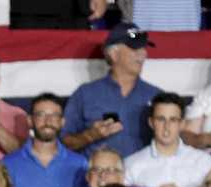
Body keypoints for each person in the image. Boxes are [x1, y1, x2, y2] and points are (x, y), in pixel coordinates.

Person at [62, 23, 162, 159]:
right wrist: (90, 135)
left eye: (143, 48)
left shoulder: (157, 96)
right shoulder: (85, 94)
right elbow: (63, 143)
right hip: (99, 177)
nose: (142, 54)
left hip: (143, 178)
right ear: (113, 54)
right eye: (134, 48)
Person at [3, 92, 89, 187]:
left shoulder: (79, 163)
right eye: (41, 114)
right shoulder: (8, 163)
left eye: (54, 115)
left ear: (62, 121)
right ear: (30, 120)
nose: (48, 120)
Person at [123, 93, 211, 187]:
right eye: (161, 119)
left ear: (182, 124)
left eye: (173, 120)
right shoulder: (131, 164)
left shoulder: (203, 162)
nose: (166, 126)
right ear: (151, 122)